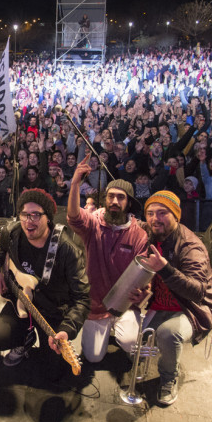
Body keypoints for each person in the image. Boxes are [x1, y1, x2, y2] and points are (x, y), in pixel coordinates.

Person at [0, 189, 90, 373]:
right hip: (19, 297)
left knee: (54, 372)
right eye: (25, 214)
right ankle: (25, 339)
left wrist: (67, 328)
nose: (28, 221)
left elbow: (82, 298)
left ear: (48, 217)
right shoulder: (12, 231)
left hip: (51, 310)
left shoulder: (67, 250)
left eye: (35, 215)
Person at [139, 191, 212, 405]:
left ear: (176, 215)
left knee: (168, 334)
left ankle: (168, 378)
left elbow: (197, 292)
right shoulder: (153, 232)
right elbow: (132, 224)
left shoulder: (191, 247)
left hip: (191, 308)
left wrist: (165, 269)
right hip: (161, 303)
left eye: (162, 213)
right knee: (131, 345)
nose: (155, 218)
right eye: (150, 213)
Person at [67, 156, 150, 364]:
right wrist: (75, 182)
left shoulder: (139, 234)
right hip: (95, 304)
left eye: (120, 197)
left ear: (129, 202)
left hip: (124, 304)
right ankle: (106, 331)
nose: (114, 201)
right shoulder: (93, 223)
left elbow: (142, 276)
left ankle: (121, 330)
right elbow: (74, 217)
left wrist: (143, 291)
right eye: (111, 196)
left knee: (132, 344)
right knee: (93, 358)